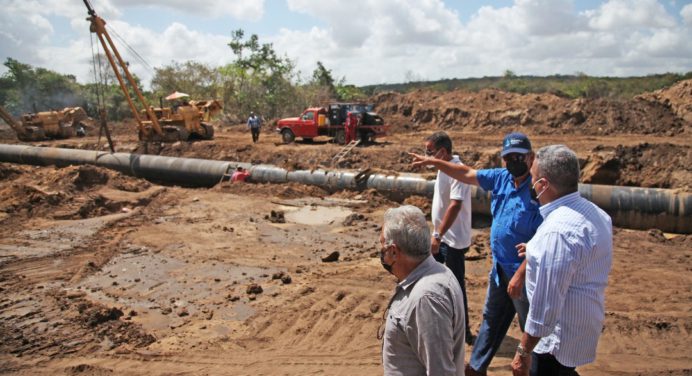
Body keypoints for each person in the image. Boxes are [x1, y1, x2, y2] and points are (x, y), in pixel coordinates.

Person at [410, 132, 543, 376]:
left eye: (519, 157)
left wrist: (521, 274)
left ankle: (536, 369)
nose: (513, 161)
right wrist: (433, 163)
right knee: (492, 319)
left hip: (525, 275)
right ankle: (477, 368)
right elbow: (467, 174)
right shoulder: (501, 178)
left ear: (531, 157)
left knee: (531, 329)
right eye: (508, 157)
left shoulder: (538, 191)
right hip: (501, 270)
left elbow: (544, 238)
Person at [511, 145, 612, 376]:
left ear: (543, 184)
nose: (530, 182)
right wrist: (538, 250)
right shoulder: (596, 214)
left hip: (555, 340)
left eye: (533, 178)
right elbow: (580, 256)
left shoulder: (557, 233)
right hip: (582, 327)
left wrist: (523, 352)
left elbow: (546, 306)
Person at [379, 205, 466, 376]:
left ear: (394, 251)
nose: (380, 250)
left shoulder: (426, 298)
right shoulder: (437, 271)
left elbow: (440, 371)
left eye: (382, 244)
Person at [425, 131, 474, 345]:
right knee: (434, 281)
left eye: (430, 152)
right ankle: (440, 324)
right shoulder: (443, 167)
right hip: (442, 237)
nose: (427, 156)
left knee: (455, 286)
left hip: (452, 241)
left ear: (443, 152)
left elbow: (455, 205)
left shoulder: (457, 171)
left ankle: (464, 332)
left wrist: (437, 235)